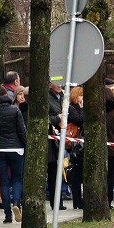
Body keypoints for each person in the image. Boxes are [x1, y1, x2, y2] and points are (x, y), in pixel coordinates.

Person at [0, 86, 27, 223]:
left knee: (4, 181)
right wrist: (26, 145)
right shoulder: (15, 110)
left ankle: (7, 215)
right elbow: (22, 131)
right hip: (16, 148)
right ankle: (16, 203)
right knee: (17, 179)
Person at [47, 82, 67, 210]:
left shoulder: (61, 97)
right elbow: (47, 118)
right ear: (50, 85)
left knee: (59, 170)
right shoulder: (48, 98)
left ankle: (58, 201)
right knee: (53, 171)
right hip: (49, 141)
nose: (59, 85)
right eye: (56, 83)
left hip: (58, 139)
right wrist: (58, 118)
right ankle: (55, 202)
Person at [67, 86, 84, 210]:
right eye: (81, 95)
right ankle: (77, 200)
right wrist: (82, 109)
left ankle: (79, 199)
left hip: (79, 144)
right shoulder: (72, 109)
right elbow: (80, 121)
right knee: (76, 173)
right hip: (75, 146)